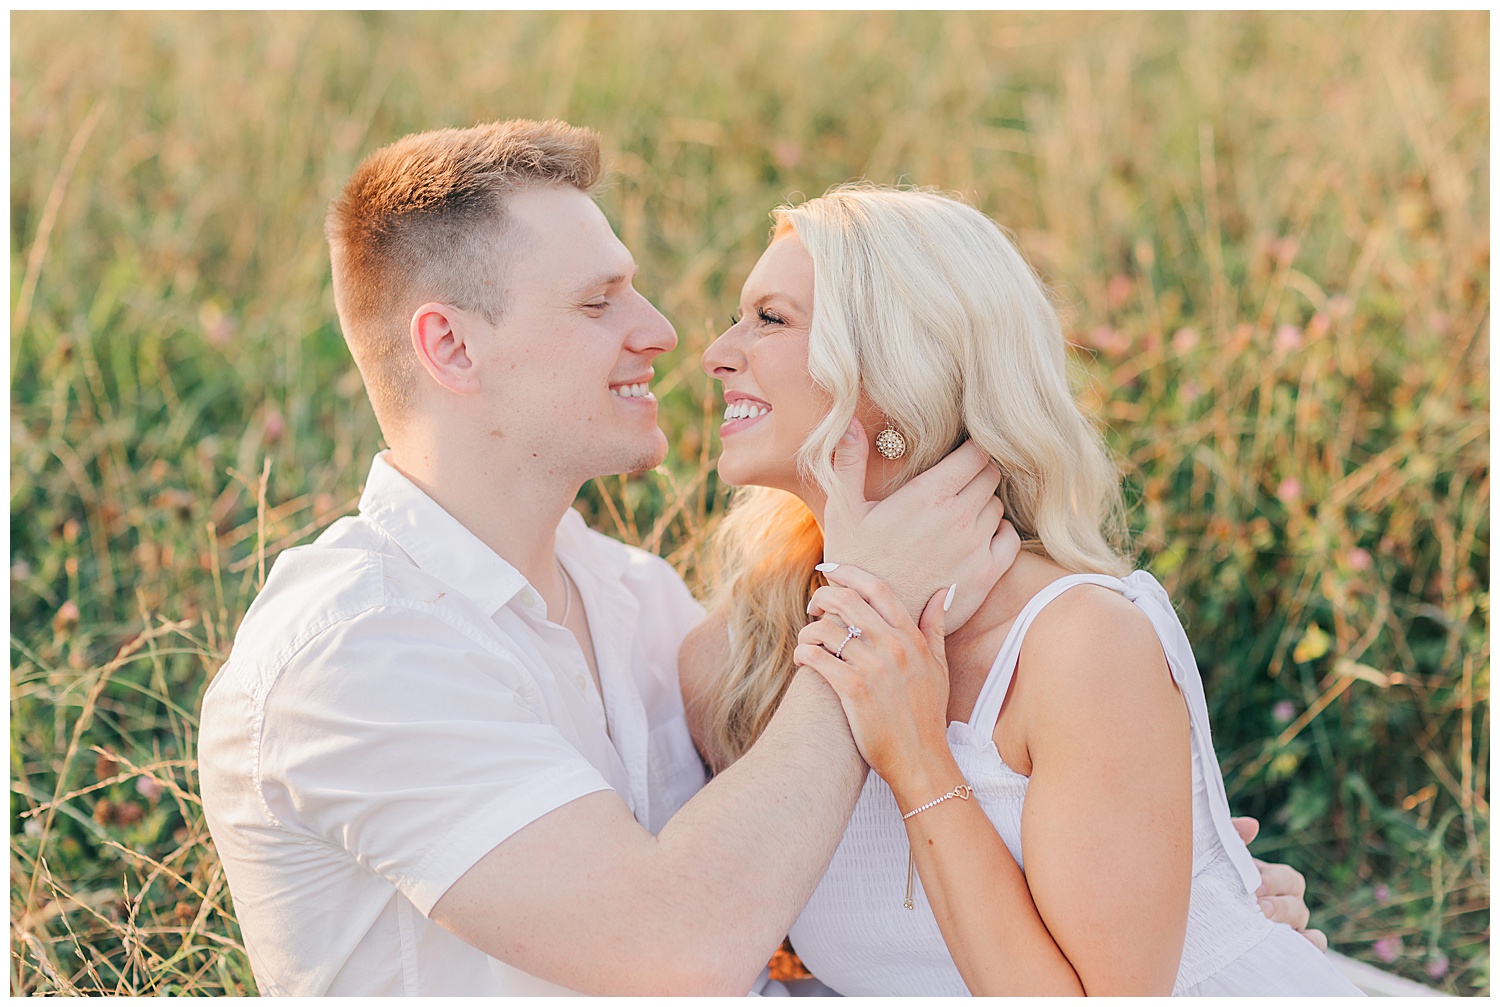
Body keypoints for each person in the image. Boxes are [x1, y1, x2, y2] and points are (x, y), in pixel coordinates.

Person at [196, 119, 1022, 996]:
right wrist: (871, 606)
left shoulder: (637, 598)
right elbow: (671, 949)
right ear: (451, 346)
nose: (663, 331)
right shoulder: (354, 649)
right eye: (599, 303)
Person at [687, 184, 1361, 995]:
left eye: (771, 319)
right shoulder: (740, 657)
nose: (717, 352)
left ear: (894, 369)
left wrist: (918, 759)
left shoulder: (1077, 643)